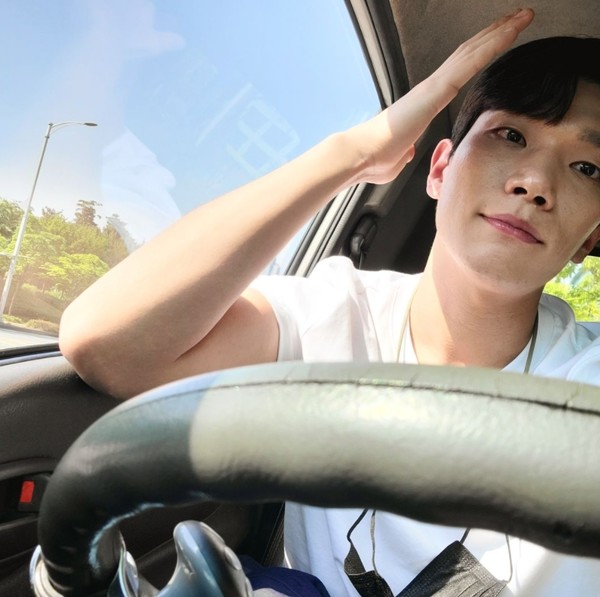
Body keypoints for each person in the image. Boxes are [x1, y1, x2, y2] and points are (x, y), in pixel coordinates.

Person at [59, 7, 600, 596]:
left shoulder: (585, 374)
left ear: (591, 237)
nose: (536, 182)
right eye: (511, 135)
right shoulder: (335, 313)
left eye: (587, 167)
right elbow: (107, 344)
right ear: (440, 169)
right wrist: (356, 152)